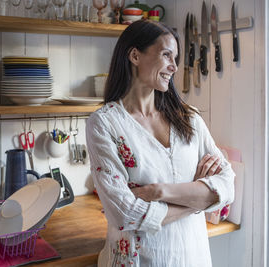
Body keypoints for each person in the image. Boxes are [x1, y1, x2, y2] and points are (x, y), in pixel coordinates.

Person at [86, 19, 235, 267]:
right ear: (135, 55)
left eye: (175, 58)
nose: (174, 67)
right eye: (167, 55)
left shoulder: (189, 118)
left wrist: (158, 192)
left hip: (192, 257)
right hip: (139, 260)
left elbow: (227, 186)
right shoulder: (104, 123)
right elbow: (124, 213)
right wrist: (198, 199)